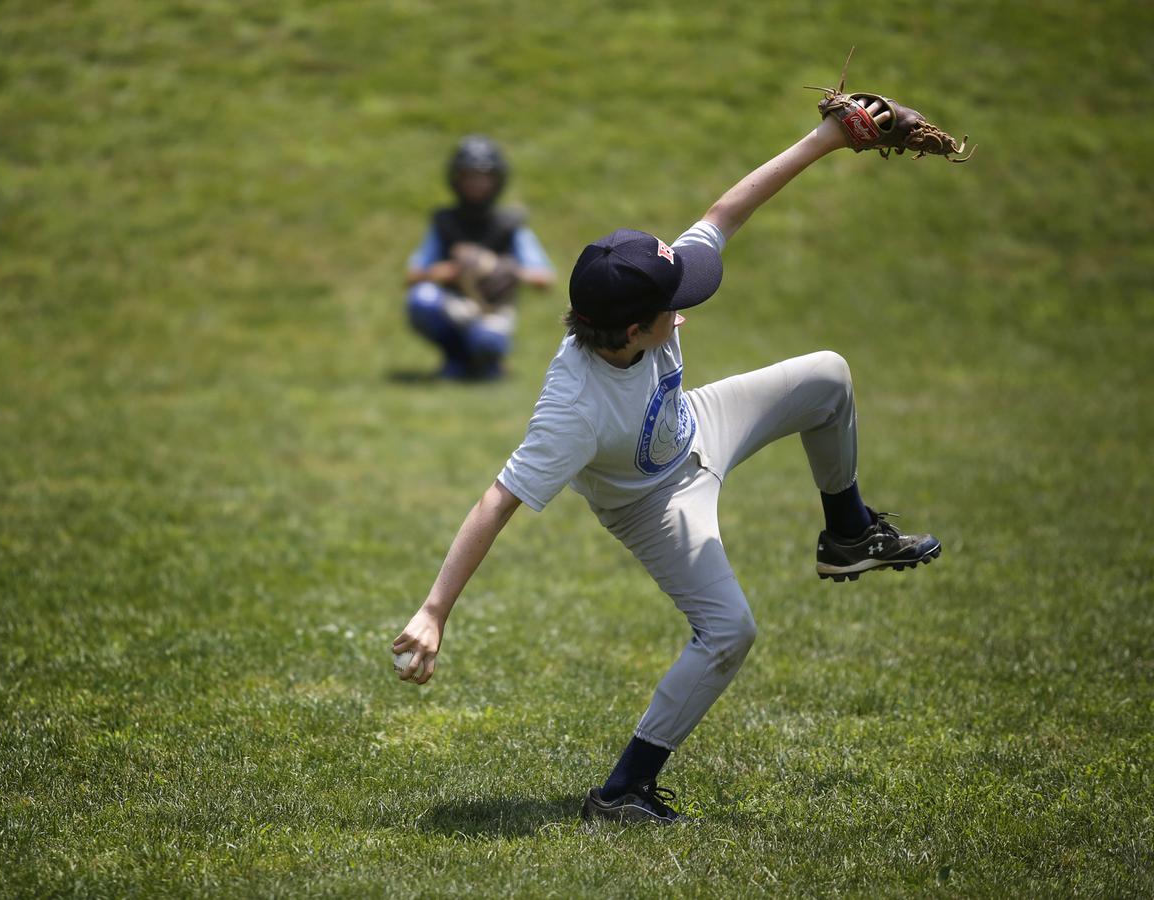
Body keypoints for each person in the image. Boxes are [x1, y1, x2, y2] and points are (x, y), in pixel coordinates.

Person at [393, 101, 942, 824]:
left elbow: (725, 212)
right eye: (670, 308)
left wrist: (830, 138)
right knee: (729, 630)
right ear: (627, 331)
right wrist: (434, 612)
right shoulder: (575, 407)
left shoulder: (635, 299)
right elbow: (499, 499)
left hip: (700, 425)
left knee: (829, 377)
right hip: (652, 502)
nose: (682, 312)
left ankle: (848, 536)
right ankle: (623, 791)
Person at [405, 135, 554, 380]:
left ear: (498, 180)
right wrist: (452, 272)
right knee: (421, 300)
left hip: (493, 308)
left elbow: (545, 278)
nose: (477, 183)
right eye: (470, 176)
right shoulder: (444, 221)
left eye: (485, 176)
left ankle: (488, 362)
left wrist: (504, 270)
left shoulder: (510, 223)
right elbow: (412, 275)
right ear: (456, 178)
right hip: (454, 304)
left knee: (487, 343)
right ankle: (456, 359)